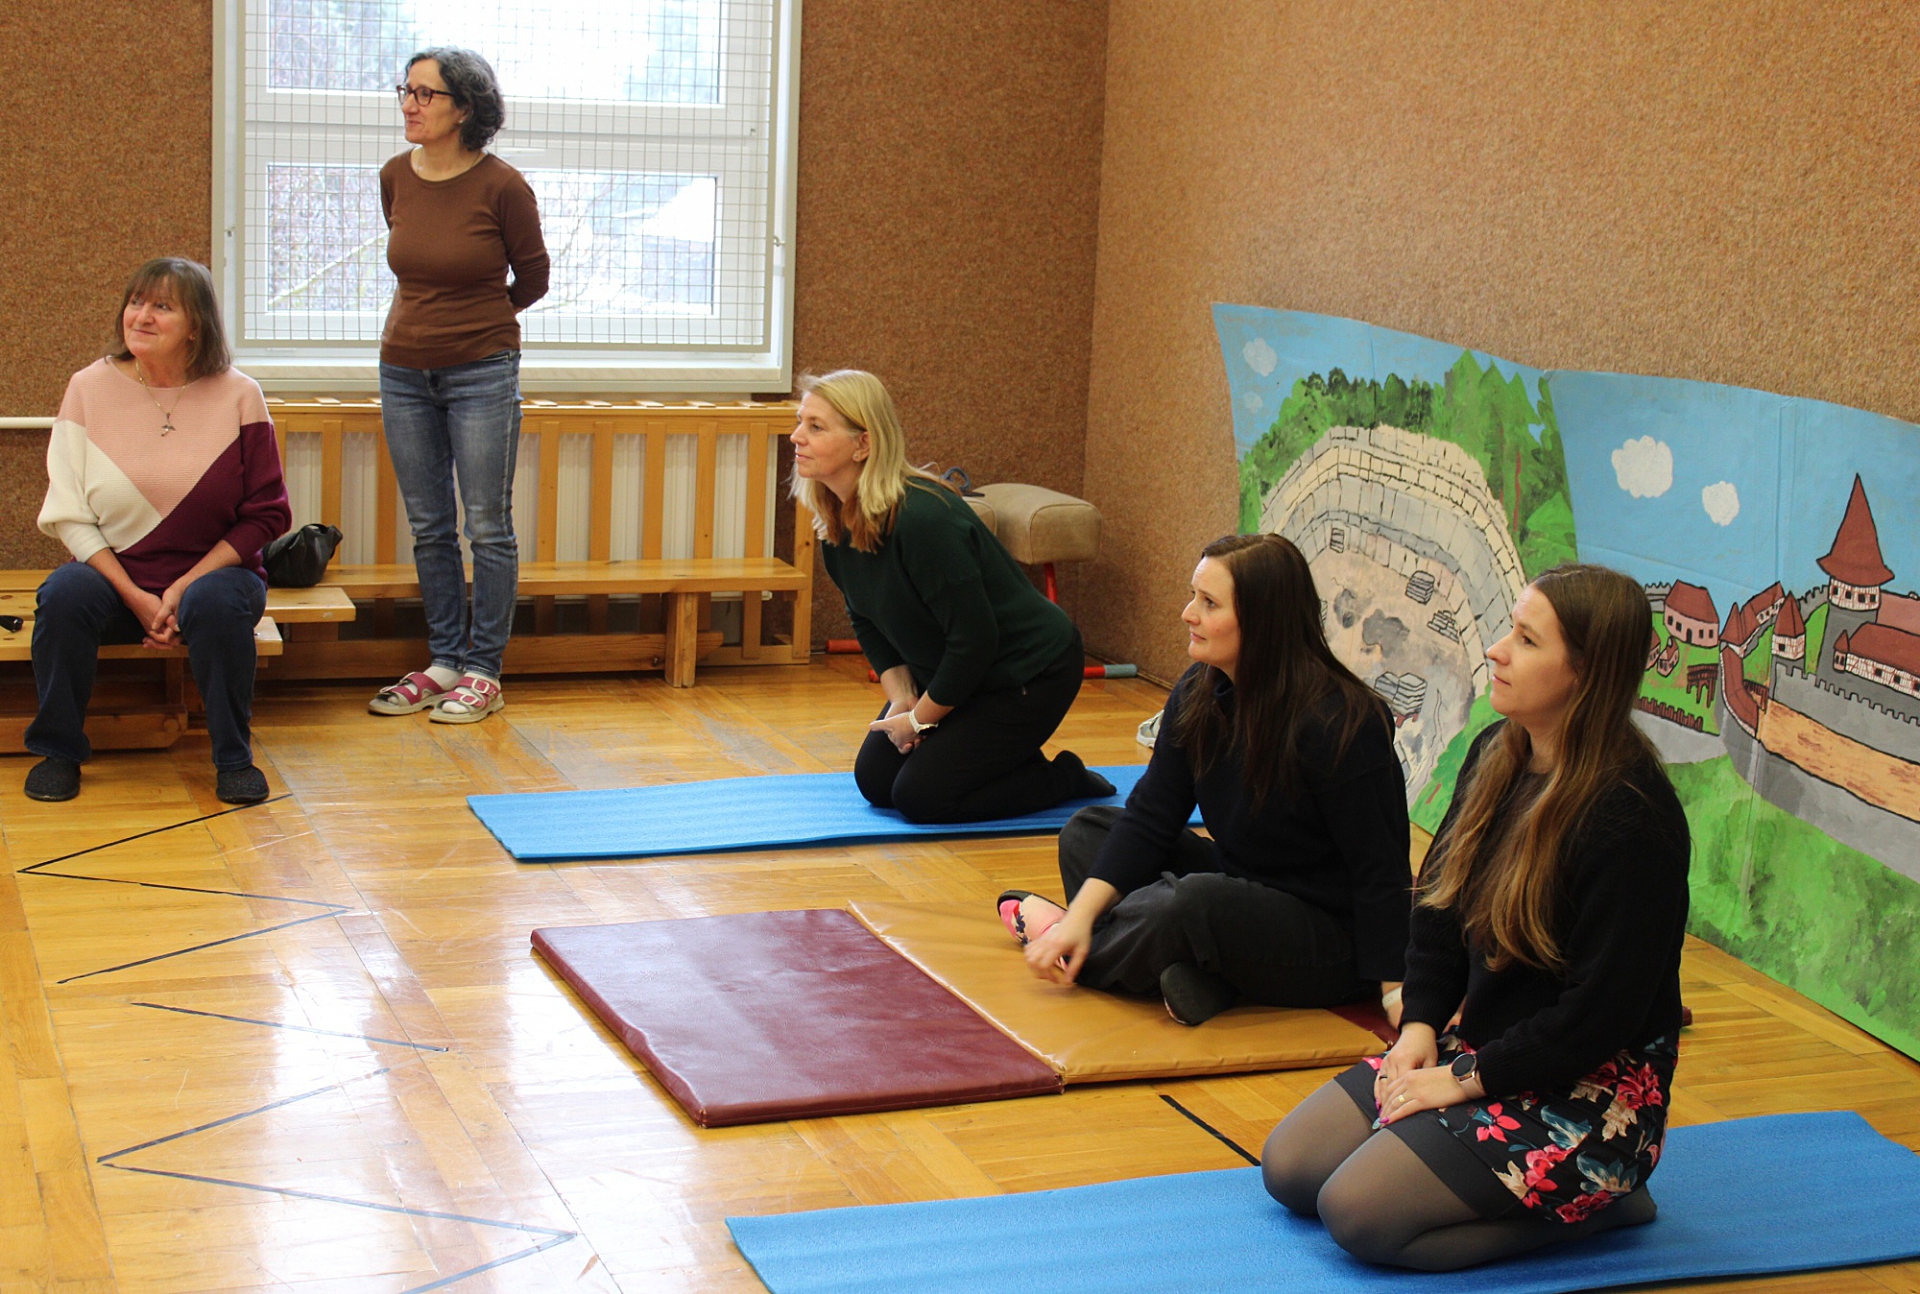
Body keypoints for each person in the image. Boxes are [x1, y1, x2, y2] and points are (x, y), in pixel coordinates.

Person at [1259, 563, 1691, 1271]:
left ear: (1584, 675)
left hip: (1591, 1091)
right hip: (1482, 1048)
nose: (1496, 650)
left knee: (1356, 1213)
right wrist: (1420, 1028)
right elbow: (1436, 908)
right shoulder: (1497, 752)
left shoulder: (1632, 817)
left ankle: (1606, 1208)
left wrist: (1460, 1083)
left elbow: (1597, 1019)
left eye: (1526, 640)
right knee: (1292, 1167)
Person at [1003, 532, 1411, 1026]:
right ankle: (1198, 973)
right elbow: (1151, 816)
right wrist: (1085, 913)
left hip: (1325, 937)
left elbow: (1380, 869)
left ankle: (1073, 947)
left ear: (1262, 620)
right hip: (1240, 885)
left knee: (1190, 903)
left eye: (1209, 603)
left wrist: (1395, 994)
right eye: (1193, 596)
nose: (1187, 614)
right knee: (1088, 831)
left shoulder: (1342, 721)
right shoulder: (1200, 688)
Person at [791, 369, 1111, 823]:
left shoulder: (923, 520)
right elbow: (864, 618)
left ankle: (1062, 777)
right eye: (800, 422)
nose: (796, 436)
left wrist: (920, 721)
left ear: (863, 444)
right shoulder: (836, 521)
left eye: (815, 426)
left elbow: (974, 642)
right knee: (877, 783)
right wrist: (903, 700)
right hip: (958, 671)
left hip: (1027, 672)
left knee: (922, 798)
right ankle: (1002, 756)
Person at [28, 258, 291, 805]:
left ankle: (234, 759)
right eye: (136, 302)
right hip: (116, 577)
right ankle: (58, 752)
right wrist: (136, 596)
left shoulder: (240, 394)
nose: (141, 316)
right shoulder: (87, 388)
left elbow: (267, 515)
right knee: (62, 596)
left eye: (162, 306)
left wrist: (179, 590)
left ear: (196, 325)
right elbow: (70, 513)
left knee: (215, 604)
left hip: (216, 577)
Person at [369, 46, 549, 724]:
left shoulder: (503, 187)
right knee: (430, 526)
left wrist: (479, 322)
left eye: (426, 93)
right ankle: (445, 660)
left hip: (482, 371)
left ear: (465, 108)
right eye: (406, 90)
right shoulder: (395, 176)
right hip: (402, 371)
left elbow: (533, 278)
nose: (409, 104)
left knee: (487, 525)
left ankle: (484, 671)